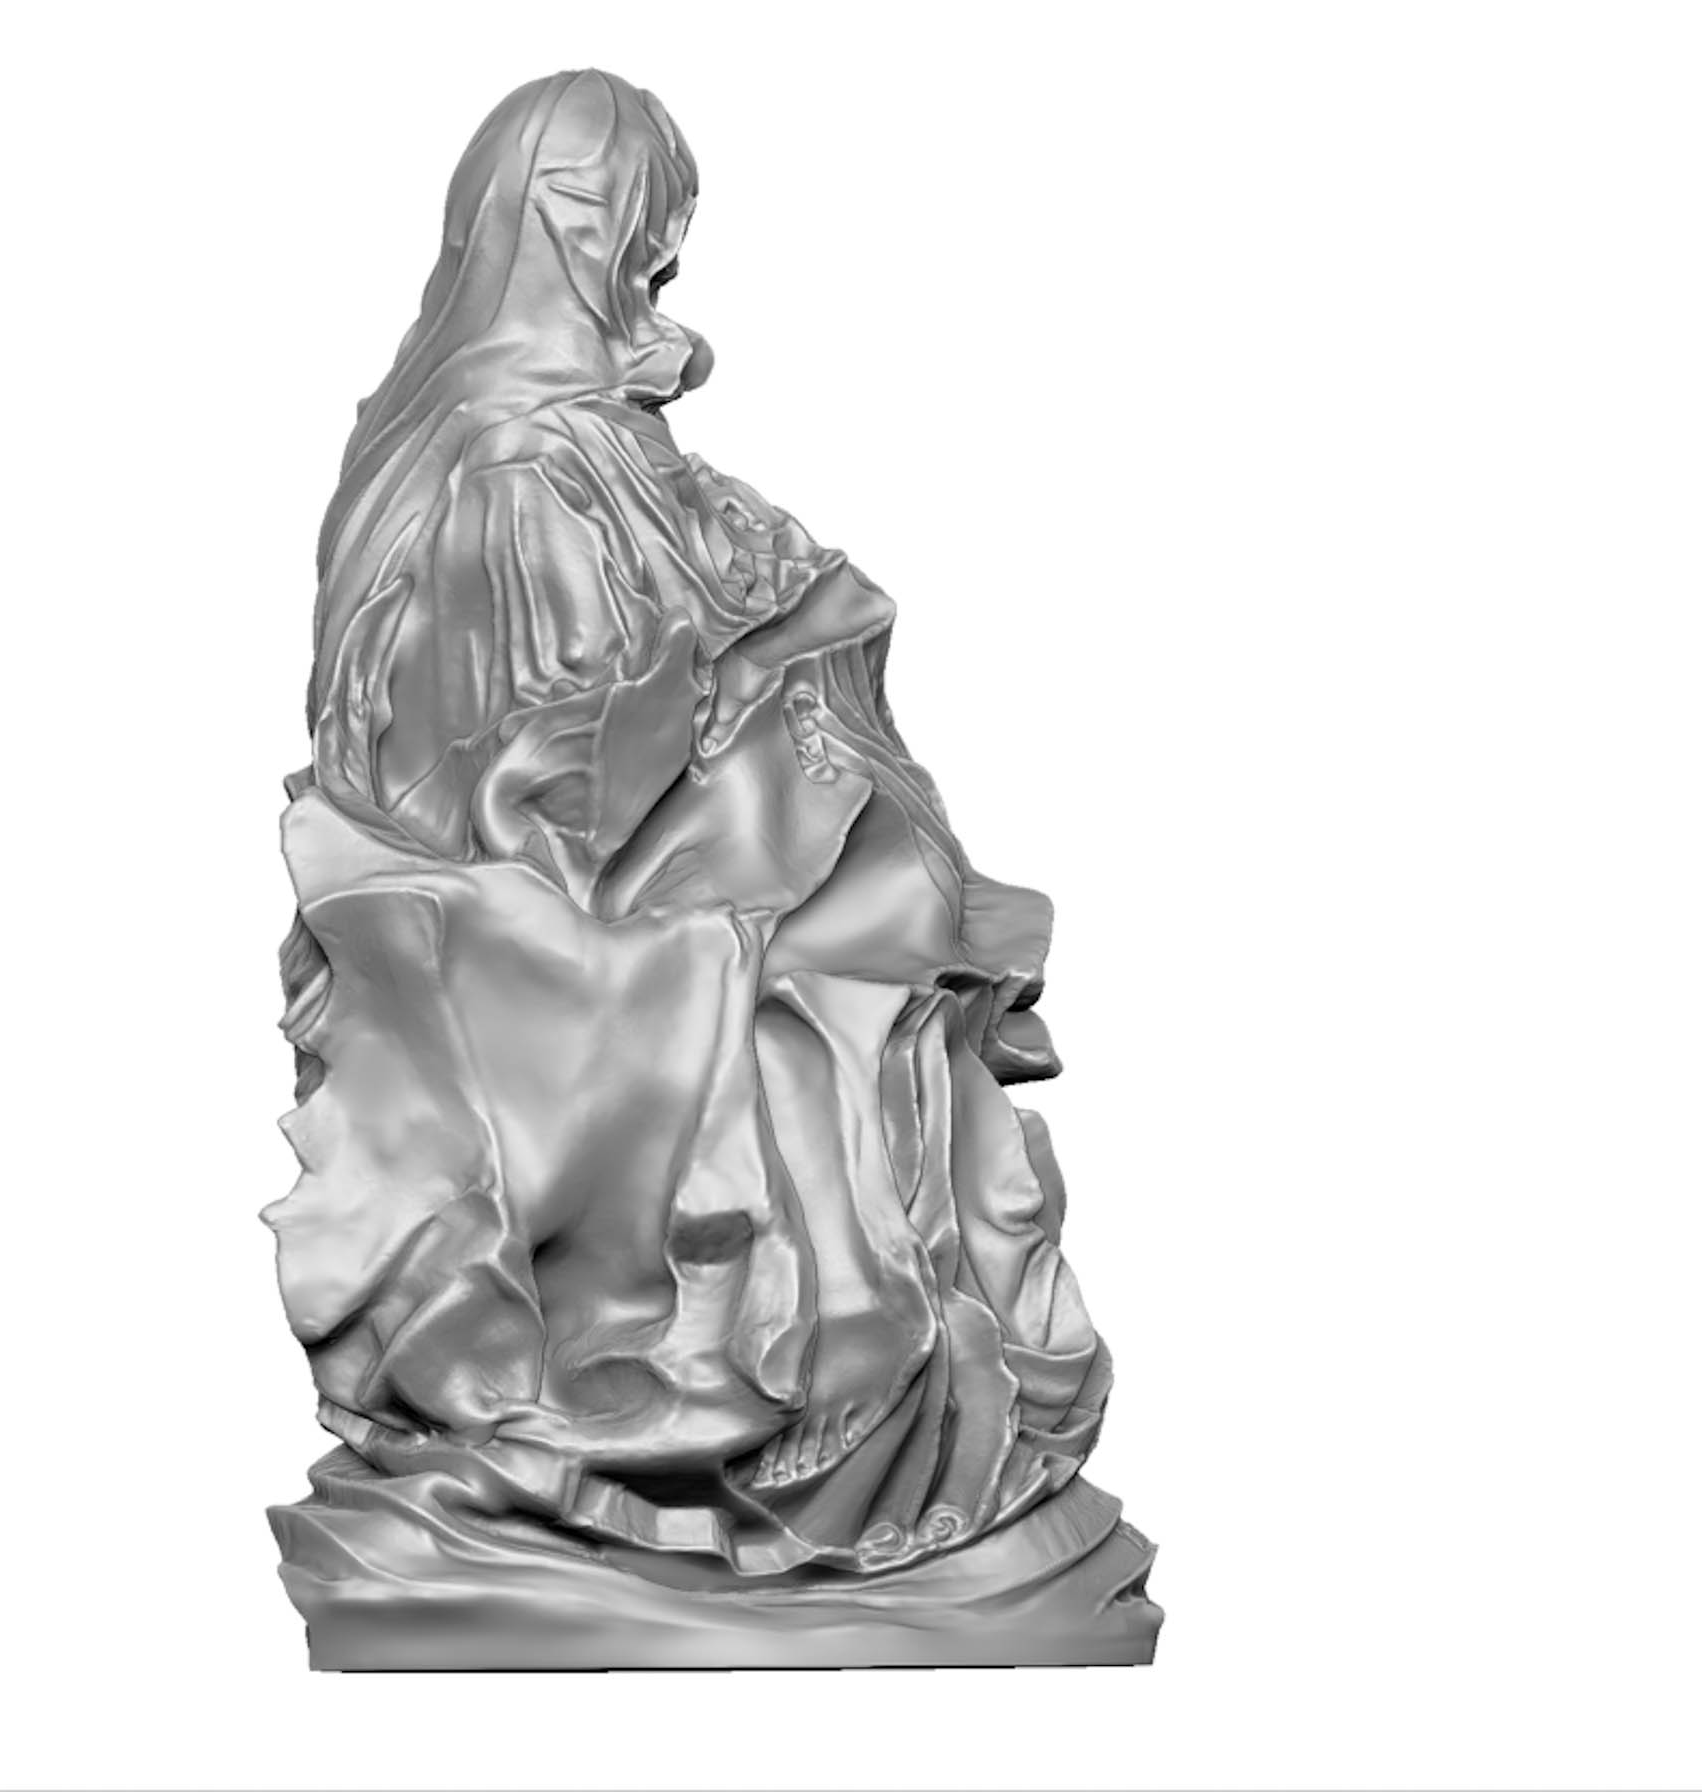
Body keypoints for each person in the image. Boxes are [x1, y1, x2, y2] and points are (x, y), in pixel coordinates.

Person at [272, 68, 1129, 1591]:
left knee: (884, 909)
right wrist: (749, 672)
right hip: (531, 909)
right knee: (838, 974)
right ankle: (798, 1389)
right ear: (575, 230)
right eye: (646, 234)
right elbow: (536, 760)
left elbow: (687, 635)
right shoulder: (504, 460)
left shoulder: (570, 439)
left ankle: (849, 1371)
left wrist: (763, 638)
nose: (662, 271)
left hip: (615, 854)